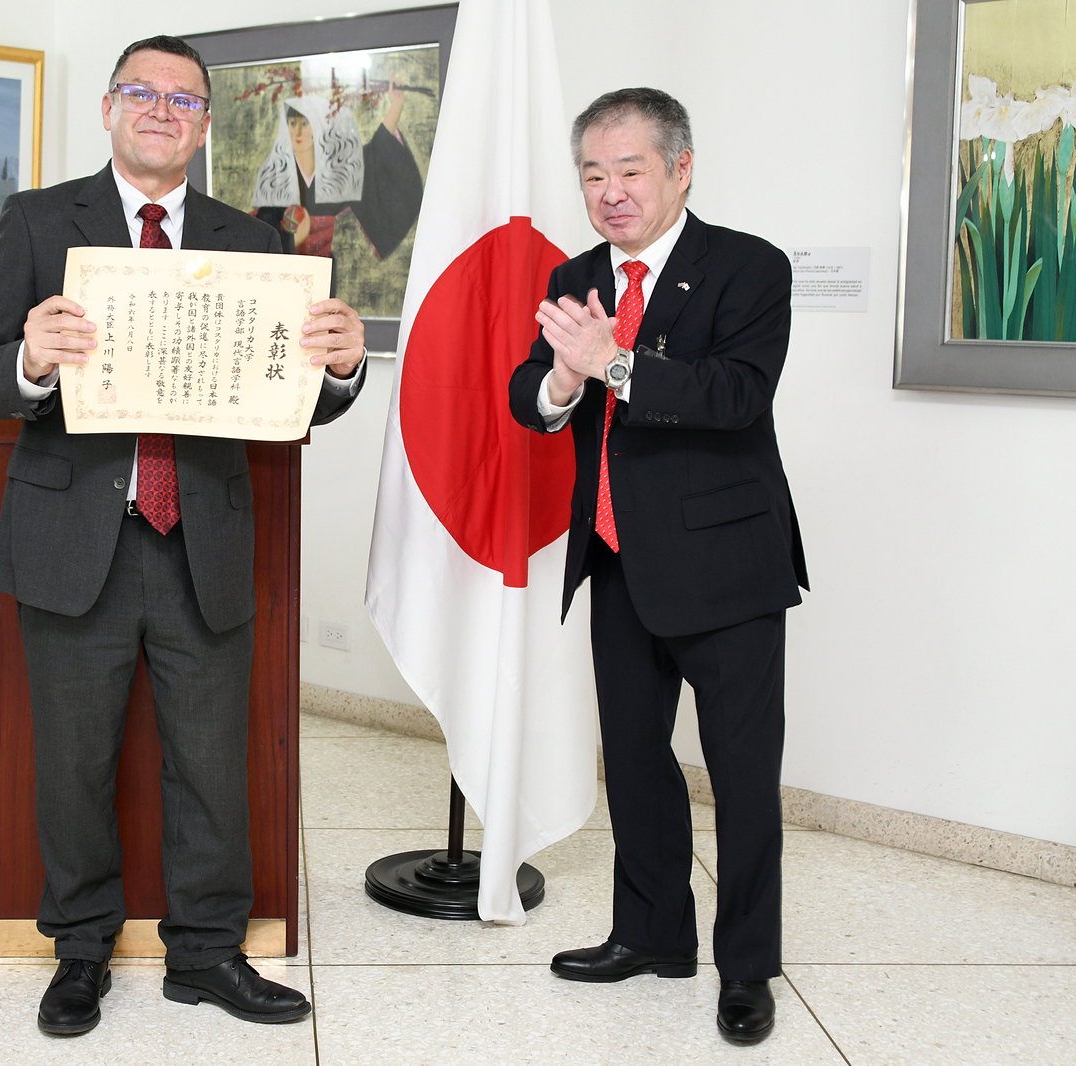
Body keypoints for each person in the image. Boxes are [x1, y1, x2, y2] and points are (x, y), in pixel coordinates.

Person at [0, 36, 367, 1036]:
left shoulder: (257, 243)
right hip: (72, 535)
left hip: (203, 537)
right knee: (74, 760)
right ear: (109, 109)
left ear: (205, 126)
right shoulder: (40, 219)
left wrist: (346, 368)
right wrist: (32, 364)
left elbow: (295, 395)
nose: (161, 109)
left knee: (211, 761)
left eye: (184, 99)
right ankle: (82, 950)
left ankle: (207, 953)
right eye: (143, 92)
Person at [509, 87, 808, 1046]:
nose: (610, 193)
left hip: (727, 570)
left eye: (629, 170)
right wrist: (561, 378)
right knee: (635, 765)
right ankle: (649, 935)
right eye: (592, 174)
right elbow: (531, 394)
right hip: (618, 560)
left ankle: (746, 969)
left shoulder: (747, 267)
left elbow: (734, 395)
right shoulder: (575, 272)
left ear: (681, 168)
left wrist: (615, 362)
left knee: (742, 775)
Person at [251, 89, 424, 261]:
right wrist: (292, 241)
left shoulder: (336, 172)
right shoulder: (275, 177)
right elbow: (260, 240)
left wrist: (396, 105)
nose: (297, 133)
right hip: (286, 274)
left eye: (304, 124)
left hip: (328, 270)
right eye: (292, 123)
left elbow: (373, 155)